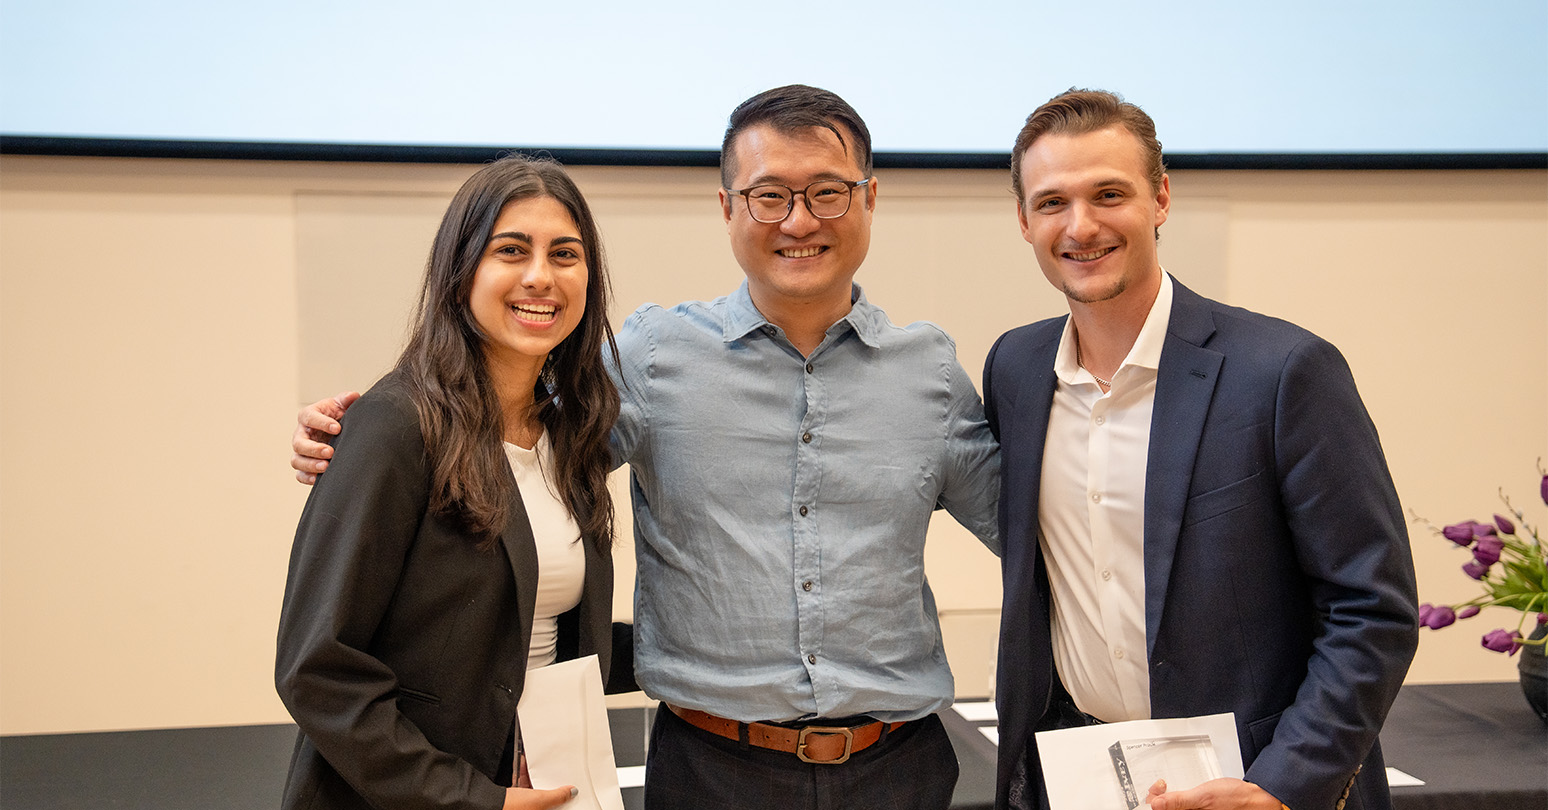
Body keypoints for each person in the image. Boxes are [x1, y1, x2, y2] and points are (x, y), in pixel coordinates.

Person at [291, 85, 1000, 810]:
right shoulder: (656, 357)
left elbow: (1043, 537)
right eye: (768, 195)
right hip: (710, 771)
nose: (797, 220)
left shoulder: (931, 374)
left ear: (869, 199)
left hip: (898, 769)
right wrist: (357, 434)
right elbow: (501, 441)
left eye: (827, 192)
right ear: (727, 208)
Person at [983, 89, 1419, 810]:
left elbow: (1371, 608)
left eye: (1109, 194)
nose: (1081, 226)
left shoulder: (1282, 373)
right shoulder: (1016, 371)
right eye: (1053, 202)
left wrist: (1283, 785)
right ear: (1024, 221)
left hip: (1251, 786)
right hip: (1077, 776)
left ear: (1159, 198)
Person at [276, 155, 623, 810]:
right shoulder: (393, 425)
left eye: (565, 254)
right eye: (511, 250)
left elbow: (538, 623)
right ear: (461, 268)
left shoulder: (575, 429)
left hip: (546, 782)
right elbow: (318, 669)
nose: (540, 277)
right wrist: (470, 799)